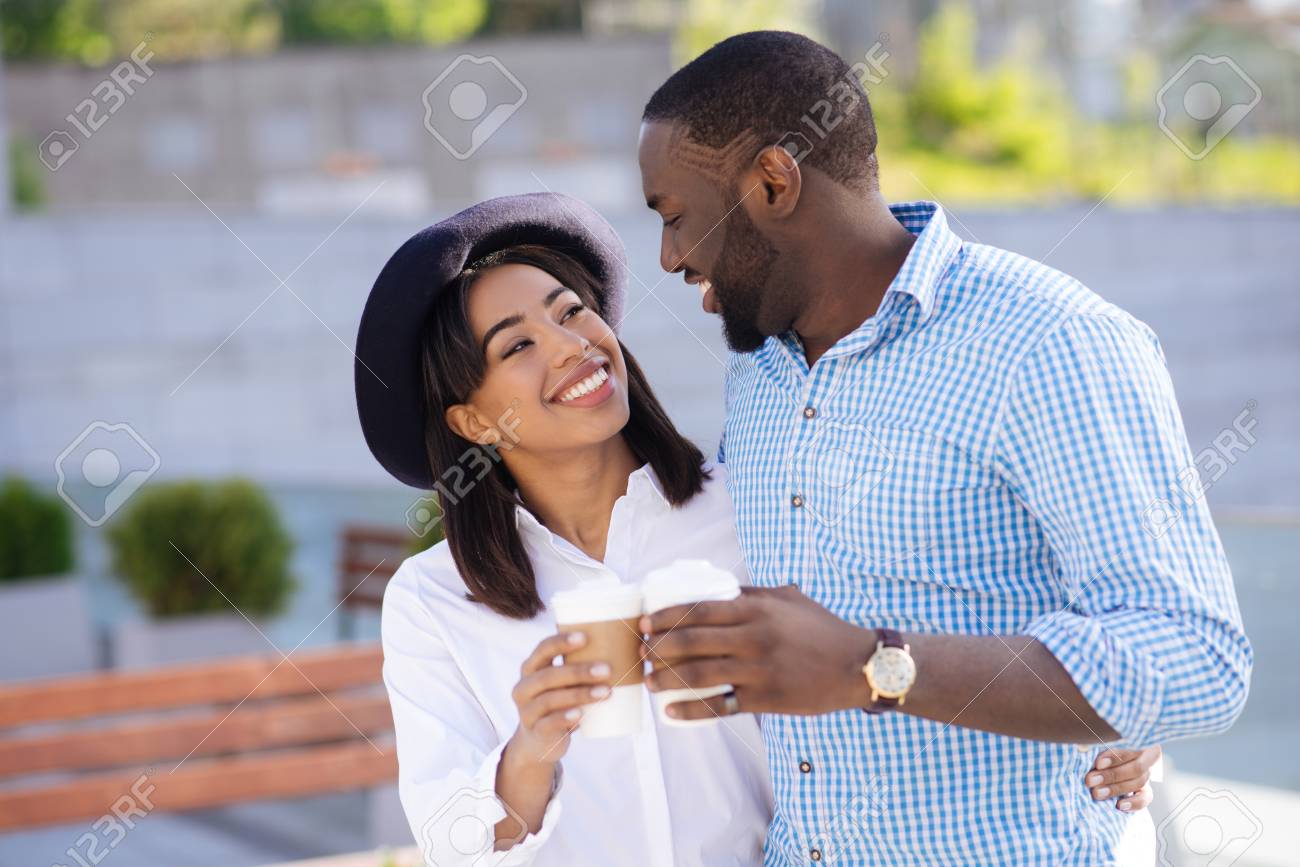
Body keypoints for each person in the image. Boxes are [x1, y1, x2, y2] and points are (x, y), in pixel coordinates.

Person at [353, 194, 1154, 866]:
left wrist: (1108, 732)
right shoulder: (435, 599)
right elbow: (448, 836)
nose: (572, 347)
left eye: (574, 312)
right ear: (472, 418)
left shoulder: (757, 505)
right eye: (519, 345)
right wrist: (530, 750)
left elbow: (932, 631)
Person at [635, 31, 1251, 864]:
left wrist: (875, 667)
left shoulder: (1052, 342)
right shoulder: (762, 371)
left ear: (774, 182)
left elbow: (1197, 658)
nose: (670, 256)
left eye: (675, 218)